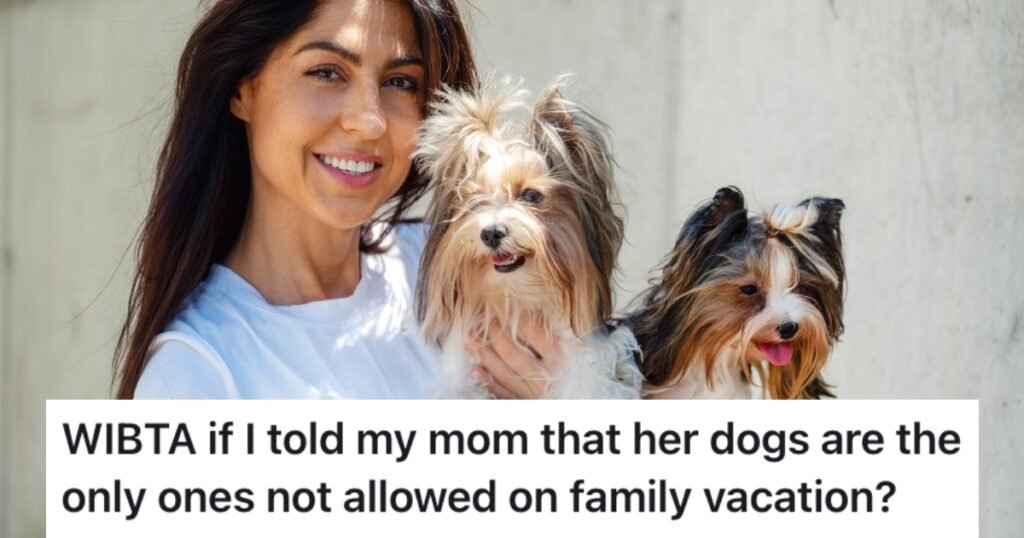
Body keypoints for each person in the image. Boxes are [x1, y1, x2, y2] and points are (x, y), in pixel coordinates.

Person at [114, 0, 557, 399]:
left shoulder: (465, 265)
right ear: (240, 88)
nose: (369, 121)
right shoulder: (195, 375)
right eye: (326, 72)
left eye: (401, 81)